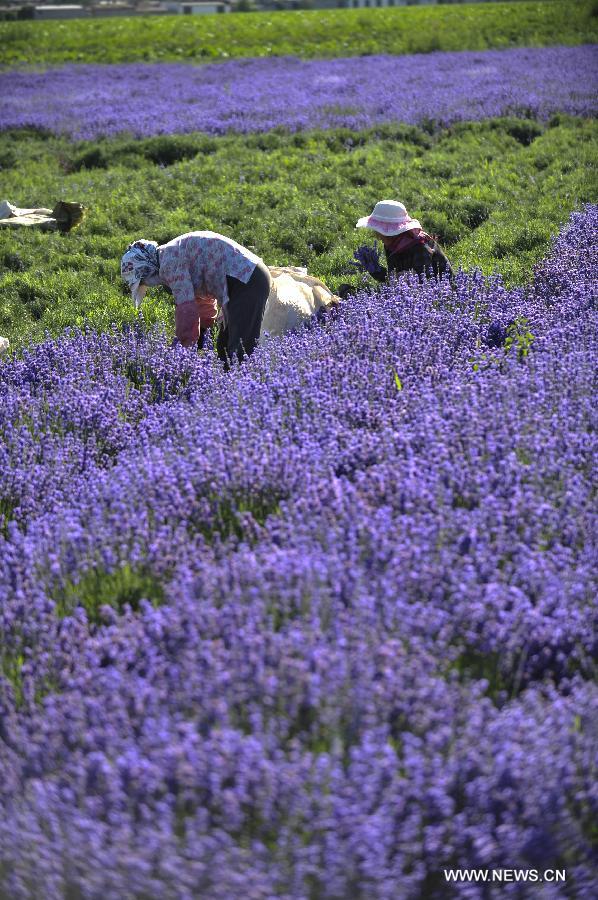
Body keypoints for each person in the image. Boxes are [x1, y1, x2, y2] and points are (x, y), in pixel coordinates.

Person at [120, 232, 272, 364]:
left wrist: (182, 350)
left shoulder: (169, 264)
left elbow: (186, 311)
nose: (149, 285)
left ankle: (245, 395)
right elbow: (202, 302)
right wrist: (203, 331)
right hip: (245, 278)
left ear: (147, 270)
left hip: (246, 279)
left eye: (144, 281)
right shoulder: (170, 254)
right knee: (224, 349)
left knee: (239, 353)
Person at [344, 200, 452, 293]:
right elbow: (391, 278)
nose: (377, 237)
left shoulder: (420, 247)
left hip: (441, 292)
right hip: (407, 293)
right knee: (346, 290)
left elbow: (424, 281)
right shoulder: (392, 245)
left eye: (380, 232)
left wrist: (401, 278)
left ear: (392, 232)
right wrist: (375, 270)